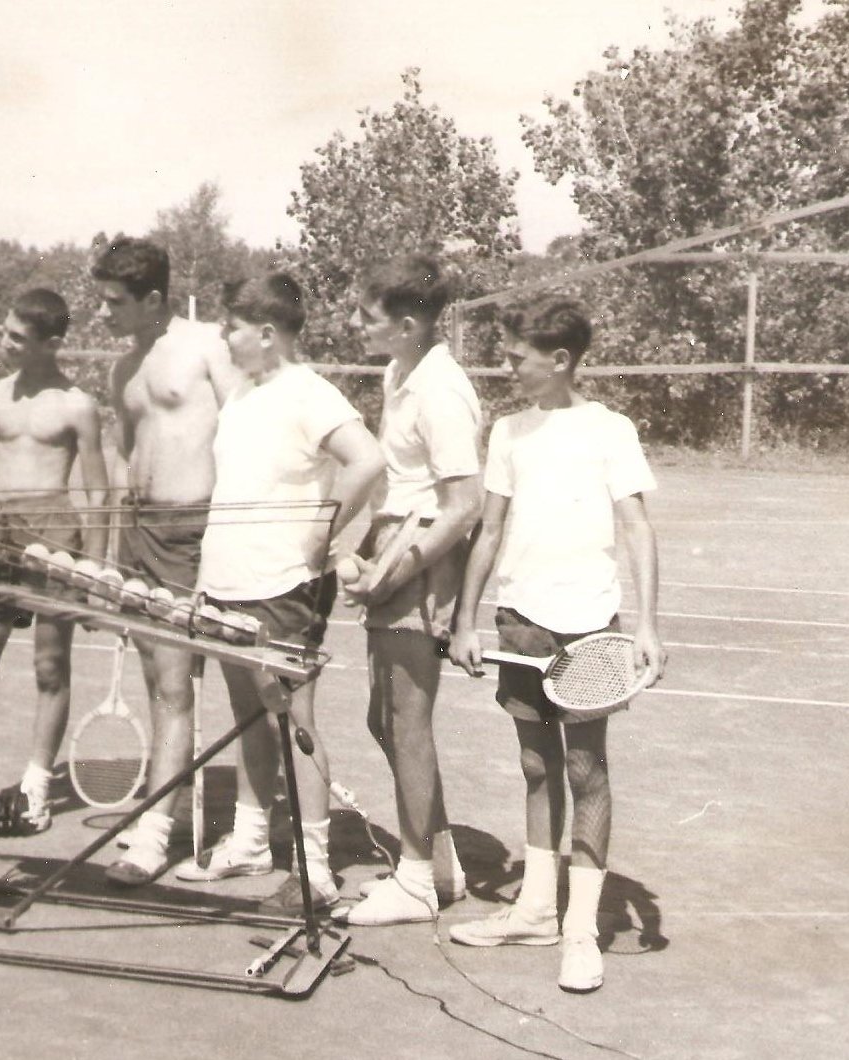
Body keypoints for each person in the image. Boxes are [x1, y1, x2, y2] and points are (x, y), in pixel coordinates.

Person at [447, 296, 667, 993]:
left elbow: (637, 528)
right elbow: (487, 532)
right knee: (536, 768)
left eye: (517, 358)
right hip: (522, 621)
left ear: (561, 360)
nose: (507, 368)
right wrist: (464, 620)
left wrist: (648, 625)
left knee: (586, 771)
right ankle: (537, 909)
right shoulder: (507, 433)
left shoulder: (611, 430)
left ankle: (580, 929)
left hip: (590, 622)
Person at [173, 272, 384, 913]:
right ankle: (250, 843)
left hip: (284, 585)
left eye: (233, 327)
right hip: (229, 580)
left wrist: (323, 537)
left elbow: (368, 460)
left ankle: (316, 870)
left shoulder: (310, 394)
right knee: (247, 716)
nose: (225, 338)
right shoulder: (243, 395)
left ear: (266, 334)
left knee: (294, 720)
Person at [334, 255, 482, 926]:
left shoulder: (441, 389)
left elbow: (462, 506)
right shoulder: (402, 373)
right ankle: (441, 863)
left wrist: (396, 571)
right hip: (396, 543)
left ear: (408, 324)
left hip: (425, 560)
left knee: (406, 721)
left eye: (367, 317)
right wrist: (370, 553)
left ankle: (417, 878)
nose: (354, 324)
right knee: (383, 718)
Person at [90, 235, 238, 885]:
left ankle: (155, 834)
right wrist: (113, 555)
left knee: (178, 685)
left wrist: (225, 537)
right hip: (141, 534)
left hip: (195, 531)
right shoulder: (121, 370)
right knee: (158, 682)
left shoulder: (207, 345)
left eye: (114, 302)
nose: (102, 313)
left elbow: (245, 430)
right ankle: (167, 809)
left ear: (153, 299)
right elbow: (124, 460)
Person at [0, 288, 108, 829]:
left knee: (49, 668)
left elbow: (99, 493)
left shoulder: (78, 405)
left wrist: (96, 570)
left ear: (52, 344)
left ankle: (36, 788)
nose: (4, 343)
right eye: (5, 331)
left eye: (17, 337)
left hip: (57, 537)